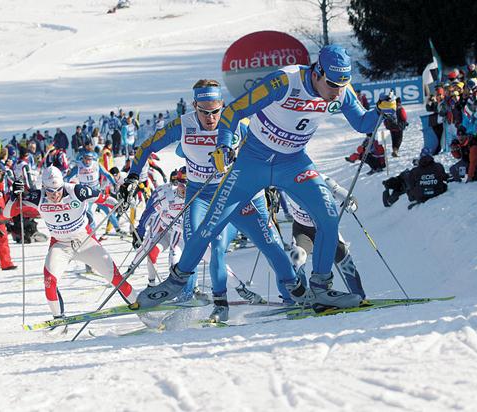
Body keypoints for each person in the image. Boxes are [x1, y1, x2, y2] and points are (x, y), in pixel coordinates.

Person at [124, 45, 389, 311]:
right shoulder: (283, 81)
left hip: (293, 162)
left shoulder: (341, 90)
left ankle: (320, 288)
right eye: (332, 84)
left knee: (329, 216)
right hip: (253, 162)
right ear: (317, 71)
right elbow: (234, 111)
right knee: (211, 227)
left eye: (343, 84)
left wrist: (381, 111)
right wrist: (225, 147)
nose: (338, 92)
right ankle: (175, 284)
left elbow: (363, 124)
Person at [122, 79, 300, 321]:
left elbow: (270, 150)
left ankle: (294, 295)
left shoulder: (239, 122)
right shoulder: (183, 124)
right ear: (194, 106)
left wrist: (269, 183)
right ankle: (211, 303)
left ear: (222, 105)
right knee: (197, 242)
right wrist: (133, 176)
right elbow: (146, 146)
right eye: (204, 112)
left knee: (271, 244)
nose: (210, 118)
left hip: (241, 193)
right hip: (201, 194)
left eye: (215, 111)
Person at [4, 167, 137, 320]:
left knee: (115, 277)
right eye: (50, 191)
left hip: (85, 241)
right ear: (43, 188)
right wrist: (14, 197)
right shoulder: (37, 197)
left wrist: (120, 204)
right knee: (49, 281)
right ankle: (58, 319)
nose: (54, 195)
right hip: (60, 245)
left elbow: (105, 199)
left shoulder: (77, 191)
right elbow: (7, 213)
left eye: (58, 190)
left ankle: (138, 305)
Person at [286, 174, 365, 298]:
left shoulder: (320, 178)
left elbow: (341, 192)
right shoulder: (286, 180)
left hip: (325, 229)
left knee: (346, 263)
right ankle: (303, 299)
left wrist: (351, 202)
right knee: (297, 259)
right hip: (302, 230)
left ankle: (359, 296)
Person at [134, 169, 186, 287]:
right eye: (179, 184)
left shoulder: (196, 196)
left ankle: (192, 289)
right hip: (167, 233)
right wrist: (140, 230)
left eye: (186, 184)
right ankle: (152, 284)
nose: (183, 188)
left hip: (184, 236)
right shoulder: (166, 194)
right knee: (152, 253)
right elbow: (149, 211)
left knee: (184, 262)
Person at [382, 148, 448, 208]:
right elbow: (445, 177)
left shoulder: (415, 171)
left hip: (421, 194)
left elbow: (411, 186)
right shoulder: (438, 166)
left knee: (406, 184)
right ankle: (393, 183)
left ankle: (391, 185)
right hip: (438, 191)